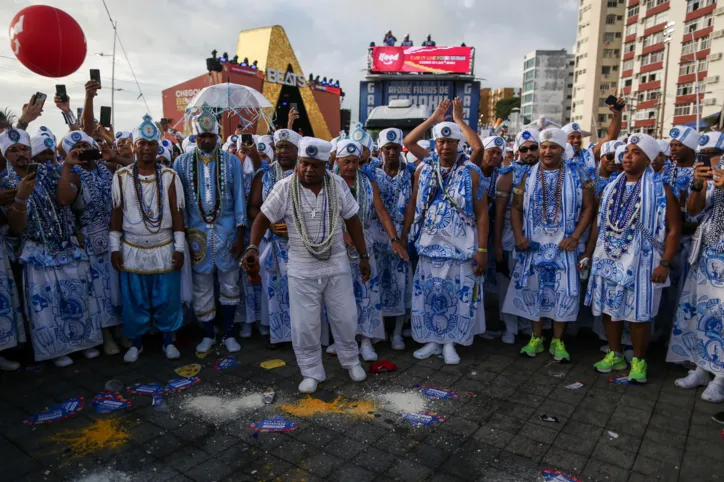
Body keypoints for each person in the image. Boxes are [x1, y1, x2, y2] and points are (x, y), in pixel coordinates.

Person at [242, 137, 369, 393]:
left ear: (325, 165)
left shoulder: (337, 185)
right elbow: (262, 219)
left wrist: (364, 256)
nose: (308, 170)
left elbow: (353, 220)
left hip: (336, 264)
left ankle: (350, 360)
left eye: (314, 165)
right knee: (305, 324)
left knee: (345, 317)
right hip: (301, 267)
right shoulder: (284, 187)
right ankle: (311, 371)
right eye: (304, 164)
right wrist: (252, 247)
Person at [1, 128, 103, 367]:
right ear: (6, 156)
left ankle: (85, 343)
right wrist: (20, 197)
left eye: (24, 148)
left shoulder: (50, 170)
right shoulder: (5, 183)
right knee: (49, 306)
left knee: (78, 296)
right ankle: (57, 350)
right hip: (38, 252)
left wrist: (66, 166)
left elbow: (65, 200)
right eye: (13, 151)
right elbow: (17, 227)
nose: (21, 154)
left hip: (67, 245)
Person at [583, 134, 679, 383]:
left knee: (639, 315)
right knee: (609, 309)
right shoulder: (611, 187)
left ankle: (638, 361)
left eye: (635, 152)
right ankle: (615, 354)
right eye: (626, 151)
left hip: (643, 263)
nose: (627, 156)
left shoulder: (661, 189)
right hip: (608, 258)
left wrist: (665, 263)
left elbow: (674, 230)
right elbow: (598, 224)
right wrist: (589, 252)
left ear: (648, 159)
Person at [403, 98, 488, 364]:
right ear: (435, 145)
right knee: (429, 293)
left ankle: (450, 342)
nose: (445, 146)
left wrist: (459, 119)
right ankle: (432, 339)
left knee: (456, 295)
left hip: (460, 248)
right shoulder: (424, 169)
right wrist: (434, 119)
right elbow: (408, 142)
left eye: (450, 142)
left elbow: (483, 213)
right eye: (440, 141)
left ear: (458, 144)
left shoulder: (471, 172)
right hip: (428, 247)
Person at [502, 127, 595, 361]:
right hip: (534, 245)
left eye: (553, 147)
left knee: (563, 292)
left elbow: (589, 208)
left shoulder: (579, 174)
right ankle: (536, 338)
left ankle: (558, 340)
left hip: (566, 246)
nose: (546, 151)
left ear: (563, 149)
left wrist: (575, 236)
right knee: (535, 289)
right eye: (543, 147)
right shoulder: (527, 175)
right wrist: (519, 236)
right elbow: (515, 208)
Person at [110, 115, 186, 362]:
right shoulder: (120, 177)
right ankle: (136, 343)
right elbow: (116, 213)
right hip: (131, 246)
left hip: (163, 245)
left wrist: (179, 248)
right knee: (134, 299)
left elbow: (177, 214)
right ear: (133, 145)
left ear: (158, 146)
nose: (146, 148)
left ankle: (167, 341)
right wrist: (114, 248)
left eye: (151, 143)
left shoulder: (170, 176)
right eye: (141, 143)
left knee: (167, 297)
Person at [174, 104, 246, 354]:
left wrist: (240, 234)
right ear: (194, 136)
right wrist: (180, 238)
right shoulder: (181, 163)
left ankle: (227, 334)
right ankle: (207, 334)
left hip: (226, 233)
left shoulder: (231, 162)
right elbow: (179, 204)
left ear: (218, 137)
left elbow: (239, 198)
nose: (206, 140)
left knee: (229, 283)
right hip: (196, 235)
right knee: (202, 286)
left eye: (210, 136)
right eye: (201, 136)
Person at [334, 140, 409, 361]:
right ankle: (344, 340)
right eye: (346, 161)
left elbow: (382, 212)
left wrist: (394, 238)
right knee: (340, 294)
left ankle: (366, 340)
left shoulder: (367, 182)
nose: (350, 166)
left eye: (355, 162)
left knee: (366, 291)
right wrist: (343, 234)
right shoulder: (329, 182)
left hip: (364, 243)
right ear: (337, 161)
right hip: (336, 243)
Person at [666, 131, 724, 401]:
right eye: (704, 155)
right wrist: (699, 185)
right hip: (705, 252)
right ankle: (702, 365)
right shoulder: (705, 179)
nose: (707, 160)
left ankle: (721, 377)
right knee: (701, 309)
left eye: (711, 154)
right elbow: (692, 211)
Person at [57, 130, 122, 356]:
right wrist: (67, 166)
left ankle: (121, 328)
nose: (84, 150)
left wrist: (114, 156)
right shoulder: (74, 174)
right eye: (77, 147)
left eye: (87, 144)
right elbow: (64, 200)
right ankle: (105, 335)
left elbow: (138, 170)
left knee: (118, 284)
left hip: (116, 233)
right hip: (91, 241)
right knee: (99, 289)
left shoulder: (108, 168)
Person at [246, 129, 301, 346]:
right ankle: (279, 334)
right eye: (279, 147)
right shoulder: (265, 174)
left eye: (288, 147)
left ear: (297, 150)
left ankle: (302, 334)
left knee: (300, 290)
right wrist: (269, 223)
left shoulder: (306, 173)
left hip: (300, 245)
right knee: (276, 289)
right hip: (273, 244)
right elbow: (253, 207)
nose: (283, 151)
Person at [493, 129, 539, 344]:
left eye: (533, 148)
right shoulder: (508, 175)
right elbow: (500, 213)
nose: (529, 152)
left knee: (532, 284)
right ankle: (510, 328)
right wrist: (497, 245)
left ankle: (528, 326)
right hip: (511, 238)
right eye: (524, 149)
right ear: (517, 151)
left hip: (537, 240)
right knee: (508, 284)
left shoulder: (548, 172)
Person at [372, 128, 415, 350]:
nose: (391, 153)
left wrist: (404, 235)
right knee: (377, 285)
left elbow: (411, 207)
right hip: (376, 240)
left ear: (400, 150)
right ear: (380, 150)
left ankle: (397, 332)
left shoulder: (410, 173)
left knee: (401, 284)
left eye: (395, 148)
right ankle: (378, 330)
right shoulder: (370, 173)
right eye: (387, 148)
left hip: (401, 236)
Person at [562, 101, 624, 178]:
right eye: (572, 137)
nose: (576, 140)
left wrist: (617, 114)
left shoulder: (588, 155)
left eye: (579, 137)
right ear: (562, 140)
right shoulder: (556, 158)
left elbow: (610, 137)